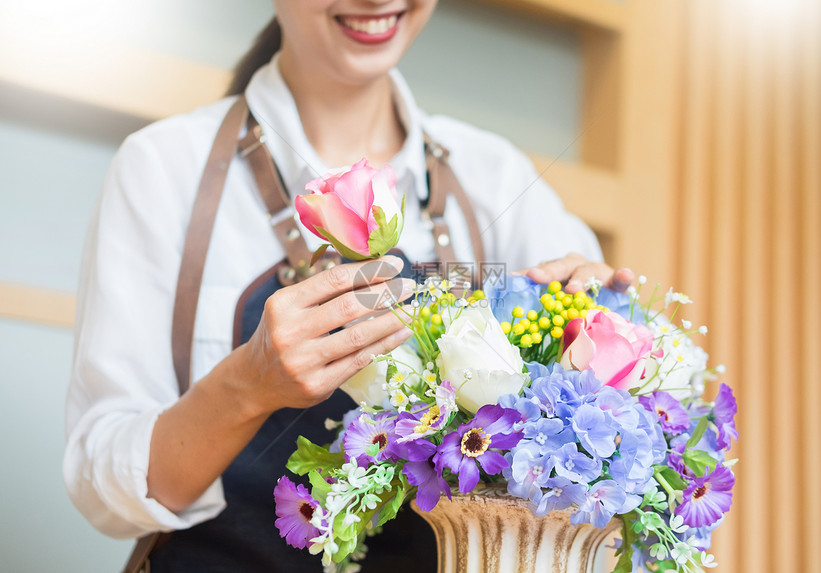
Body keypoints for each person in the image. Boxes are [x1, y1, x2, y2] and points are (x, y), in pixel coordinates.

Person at [64, 1, 634, 571]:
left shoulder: (497, 176)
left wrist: (588, 319)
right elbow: (107, 495)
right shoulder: (164, 168)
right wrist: (247, 386)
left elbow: (598, 443)